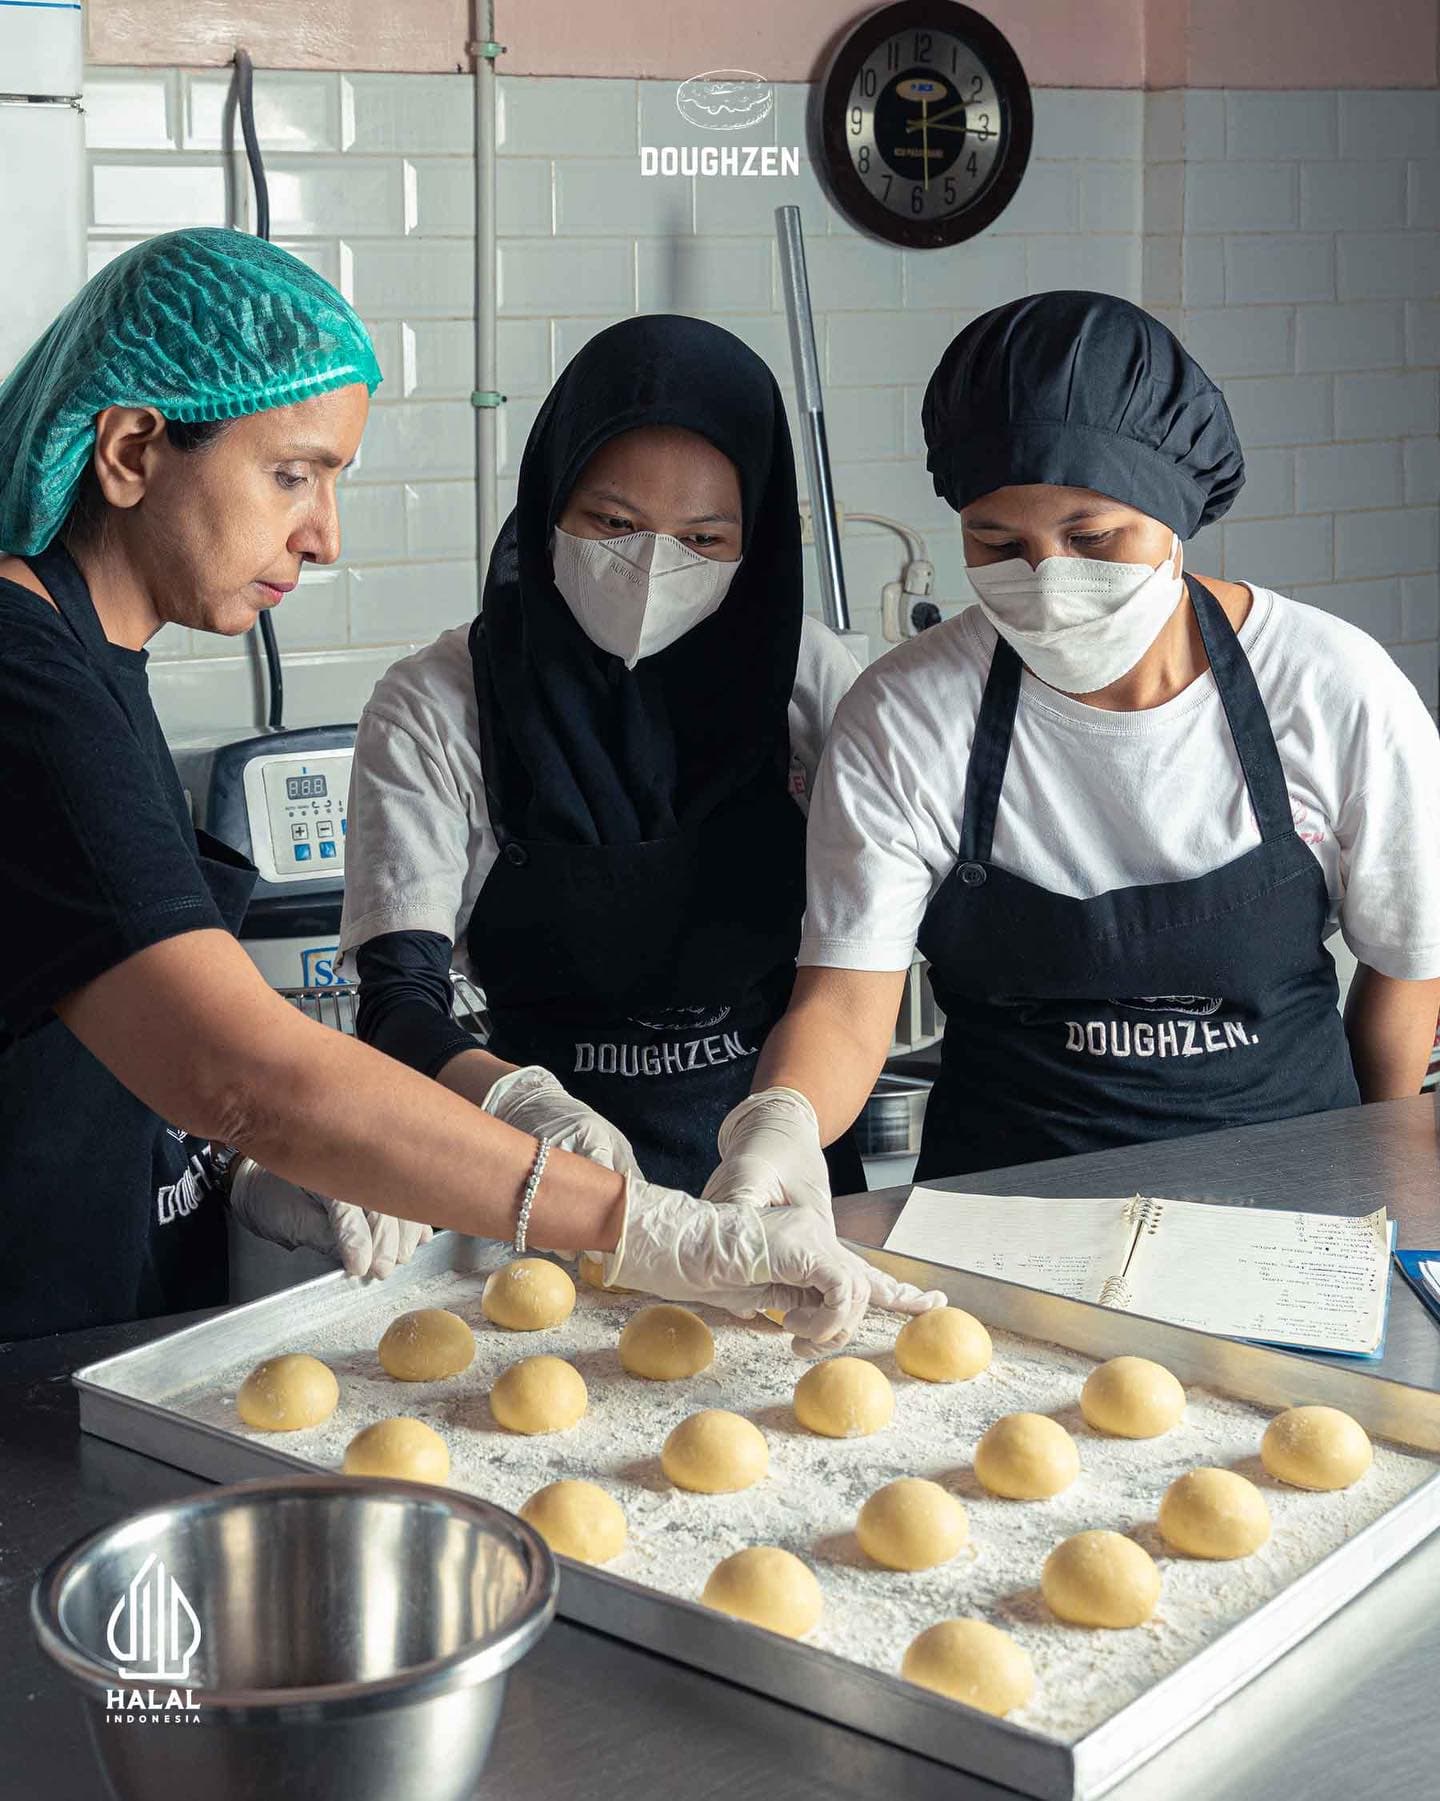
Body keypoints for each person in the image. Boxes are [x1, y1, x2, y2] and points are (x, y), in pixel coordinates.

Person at [0, 228, 936, 1344]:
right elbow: (239, 1063)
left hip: (85, 1302)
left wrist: (242, 1173)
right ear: (132, 452)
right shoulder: (24, 678)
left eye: (704, 536)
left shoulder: (88, 659)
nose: (326, 537)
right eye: (293, 472)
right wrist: (641, 1226)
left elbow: (126, 1044)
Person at [705, 290, 1440, 1205]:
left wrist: (1374, 1167)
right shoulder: (905, 715)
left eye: (1091, 537)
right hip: (998, 1223)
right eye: (997, 541)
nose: (1047, 580)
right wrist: (781, 1127)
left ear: (1177, 514)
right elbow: (847, 1004)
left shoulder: (1337, 689)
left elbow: (1406, 970)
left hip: (1286, 1210)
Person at [338, 314, 869, 1201]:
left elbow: (860, 953)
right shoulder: (436, 704)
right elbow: (395, 1006)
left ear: (758, 541)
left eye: (703, 539)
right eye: (614, 522)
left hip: (778, 1181)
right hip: (535, 1184)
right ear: (549, 505)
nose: (653, 566)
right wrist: (518, 1102)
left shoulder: (805, 679)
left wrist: (785, 1126)